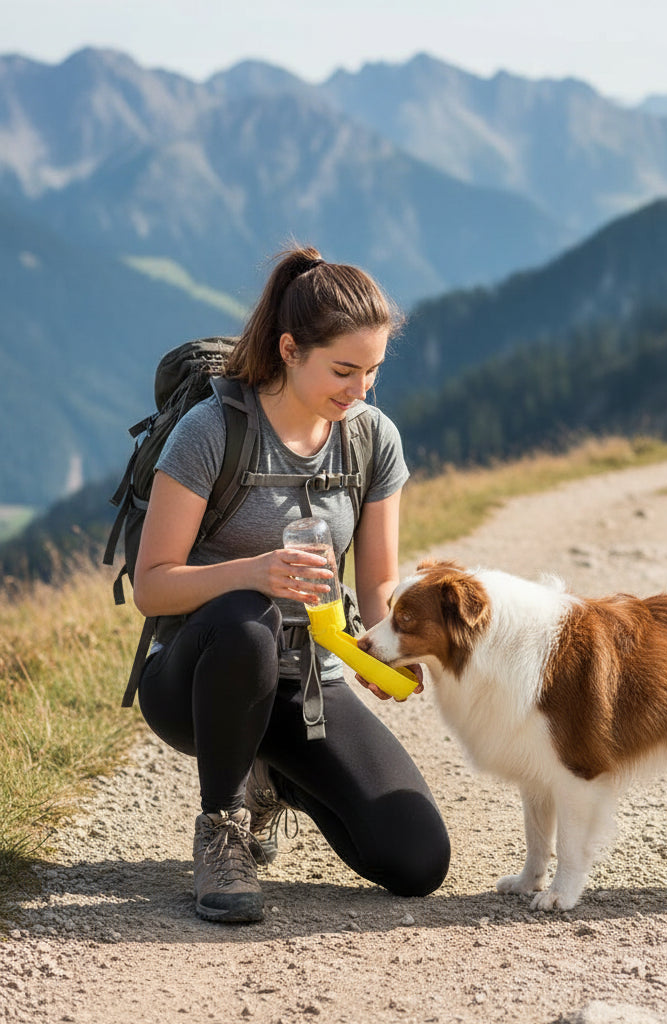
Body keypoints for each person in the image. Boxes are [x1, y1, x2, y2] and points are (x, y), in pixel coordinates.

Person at [131, 245, 450, 923]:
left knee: (418, 862)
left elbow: (378, 587)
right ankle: (222, 826)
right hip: (198, 678)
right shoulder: (212, 430)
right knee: (246, 616)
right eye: (343, 370)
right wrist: (252, 571)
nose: (359, 391)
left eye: (372, 372)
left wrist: (392, 649)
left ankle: (273, 774)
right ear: (289, 349)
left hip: (308, 684)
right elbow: (152, 587)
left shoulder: (370, 439)